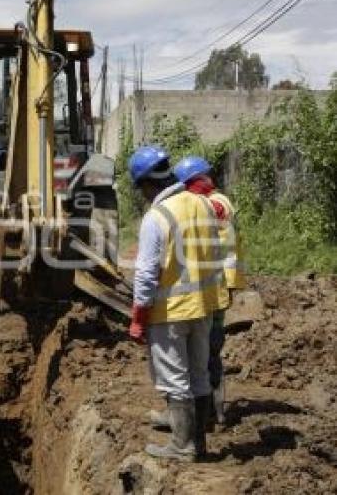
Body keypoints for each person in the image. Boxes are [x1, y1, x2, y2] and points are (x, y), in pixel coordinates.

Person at [127, 145, 223, 461]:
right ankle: (199, 444)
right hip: (204, 307)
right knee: (199, 375)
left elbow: (145, 273)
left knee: (176, 380)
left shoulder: (157, 217)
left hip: (169, 313)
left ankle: (182, 446)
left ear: (145, 184)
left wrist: (139, 316)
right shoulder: (204, 205)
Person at [174, 155, 246, 426]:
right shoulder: (217, 200)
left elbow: (208, 223)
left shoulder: (213, 203)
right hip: (218, 282)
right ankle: (213, 410)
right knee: (208, 346)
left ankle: (209, 414)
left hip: (215, 285)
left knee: (207, 347)